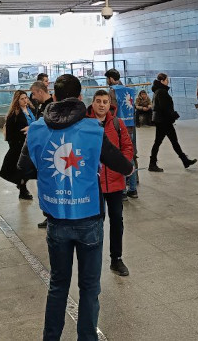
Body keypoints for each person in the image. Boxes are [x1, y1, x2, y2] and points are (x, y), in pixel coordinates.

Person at [17, 74, 133, 341]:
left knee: (58, 285)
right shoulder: (93, 129)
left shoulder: (37, 129)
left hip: (56, 219)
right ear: (81, 98)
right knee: (90, 287)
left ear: (54, 97)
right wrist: (129, 168)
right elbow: (120, 163)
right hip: (89, 217)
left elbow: (23, 167)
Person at [86, 90, 134, 276]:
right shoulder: (85, 124)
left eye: (105, 102)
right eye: (98, 101)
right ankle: (93, 260)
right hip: (93, 184)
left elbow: (127, 147)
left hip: (115, 182)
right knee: (94, 224)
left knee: (117, 221)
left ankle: (116, 259)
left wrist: (122, 165)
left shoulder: (117, 123)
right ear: (93, 103)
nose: (101, 105)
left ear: (109, 104)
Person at [149, 73, 197, 172]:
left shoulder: (158, 91)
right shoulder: (161, 91)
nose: (168, 81)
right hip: (164, 121)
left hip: (161, 120)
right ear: (162, 81)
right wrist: (173, 115)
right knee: (162, 142)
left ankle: (185, 160)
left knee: (169, 141)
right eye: (167, 80)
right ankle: (152, 164)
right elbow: (164, 107)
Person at [105, 68, 139, 198]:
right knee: (130, 156)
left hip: (118, 128)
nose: (107, 81)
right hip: (131, 126)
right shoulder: (129, 90)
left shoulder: (112, 91)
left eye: (107, 79)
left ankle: (123, 191)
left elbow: (112, 110)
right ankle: (133, 189)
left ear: (111, 78)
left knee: (120, 158)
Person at [0, 90, 36, 200]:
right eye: (22, 99)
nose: (25, 100)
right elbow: (10, 135)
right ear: (17, 100)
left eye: (26, 98)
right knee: (21, 169)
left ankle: (22, 186)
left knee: (30, 169)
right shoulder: (13, 114)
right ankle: (22, 189)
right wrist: (16, 144)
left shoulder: (31, 110)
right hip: (20, 146)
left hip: (32, 144)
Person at [31, 79, 55, 228]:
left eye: (34, 94)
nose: (33, 97)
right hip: (42, 152)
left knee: (50, 185)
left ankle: (51, 216)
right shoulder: (41, 106)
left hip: (50, 152)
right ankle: (48, 214)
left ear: (40, 91)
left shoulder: (51, 106)